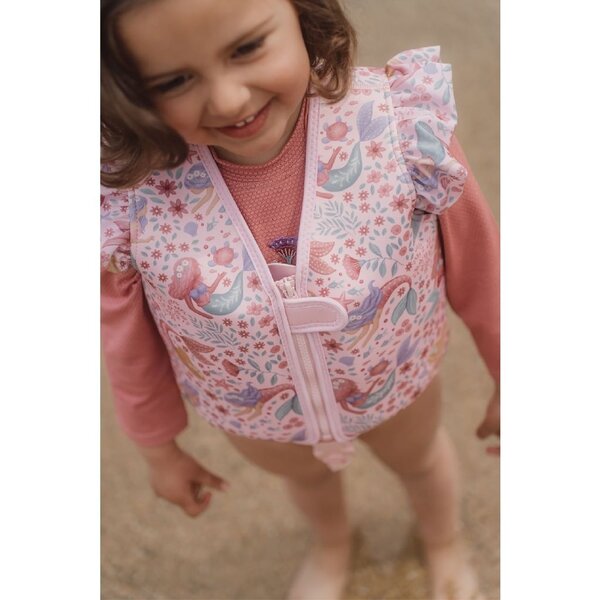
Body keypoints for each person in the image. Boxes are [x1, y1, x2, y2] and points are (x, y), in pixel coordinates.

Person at [100, 0, 500, 598]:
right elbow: (126, 336)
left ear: (303, 14)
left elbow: (481, 263)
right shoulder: (134, 195)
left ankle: (443, 538)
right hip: (258, 412)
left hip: (395, 375)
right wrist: (158, 448)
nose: (229, 99)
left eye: (247, 48)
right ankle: (332, 542)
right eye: (174, 80)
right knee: (307, 483)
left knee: (421, 461)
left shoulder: (397, 125)